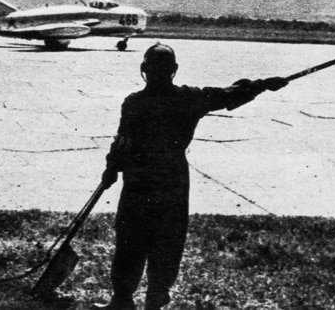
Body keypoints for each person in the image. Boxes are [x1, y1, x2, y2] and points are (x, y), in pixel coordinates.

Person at [94, 43, 287, 310]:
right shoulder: (189, 98)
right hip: (172, 177)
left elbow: (122, 142)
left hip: (139, 178)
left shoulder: (135, 102)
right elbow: (229, 94)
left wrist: (111, 168)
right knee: (167, 240)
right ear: (174, 70)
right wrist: (262, 84)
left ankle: (123, 299)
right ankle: (153, 299)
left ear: (143, 69)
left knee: (131, 239)